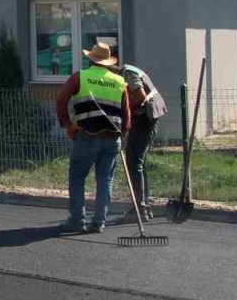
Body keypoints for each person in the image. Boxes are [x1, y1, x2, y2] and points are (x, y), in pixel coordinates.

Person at [55, 42, 131, 234]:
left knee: (77, 177)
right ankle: (98, 222)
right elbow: (127, 115)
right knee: (105, 180)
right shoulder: (120, 81)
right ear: (108, 62)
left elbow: (61, 100)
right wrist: (122, 134)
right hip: (112, 138)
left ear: (91, 58)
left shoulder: (80, 77)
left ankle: (77, 220)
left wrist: (68, 126)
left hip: (87, 136)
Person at [115, 61, 166, 224]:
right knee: (138, 163)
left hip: (145, 119)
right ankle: (144, 207)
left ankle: (139, 209)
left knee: (134, 162)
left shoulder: (128, 74)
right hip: (146, 118)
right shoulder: (130, 71)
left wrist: (125, 110)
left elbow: (139, 96)